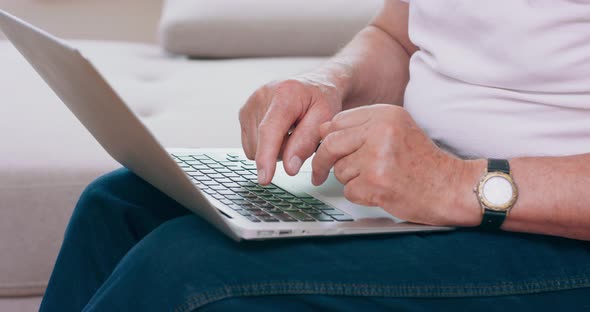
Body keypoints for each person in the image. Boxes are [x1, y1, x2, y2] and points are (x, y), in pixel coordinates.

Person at [40, 1, 590, 311]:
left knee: (182, 272)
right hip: (431, 185)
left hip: (551, 228)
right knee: (118, 206)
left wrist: (453, 184)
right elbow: (399, 36)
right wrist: (328, 83)